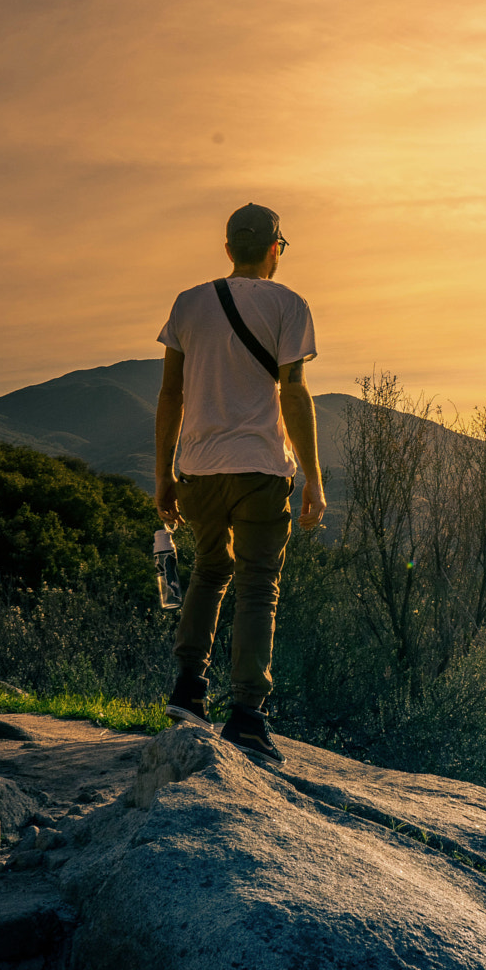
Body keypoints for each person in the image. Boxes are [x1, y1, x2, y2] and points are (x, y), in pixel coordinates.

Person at [154, 202, 327, 760]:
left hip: (199, 469)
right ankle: (248, 715)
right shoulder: (289, 305)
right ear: (275, 248)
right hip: (259, 468)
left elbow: (170, 395)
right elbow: (294, 394)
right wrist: (314, 480)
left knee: (208, 571)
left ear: (229, 248)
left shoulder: (188, 304)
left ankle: (188, 690)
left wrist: (163, 475)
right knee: (257, 585)